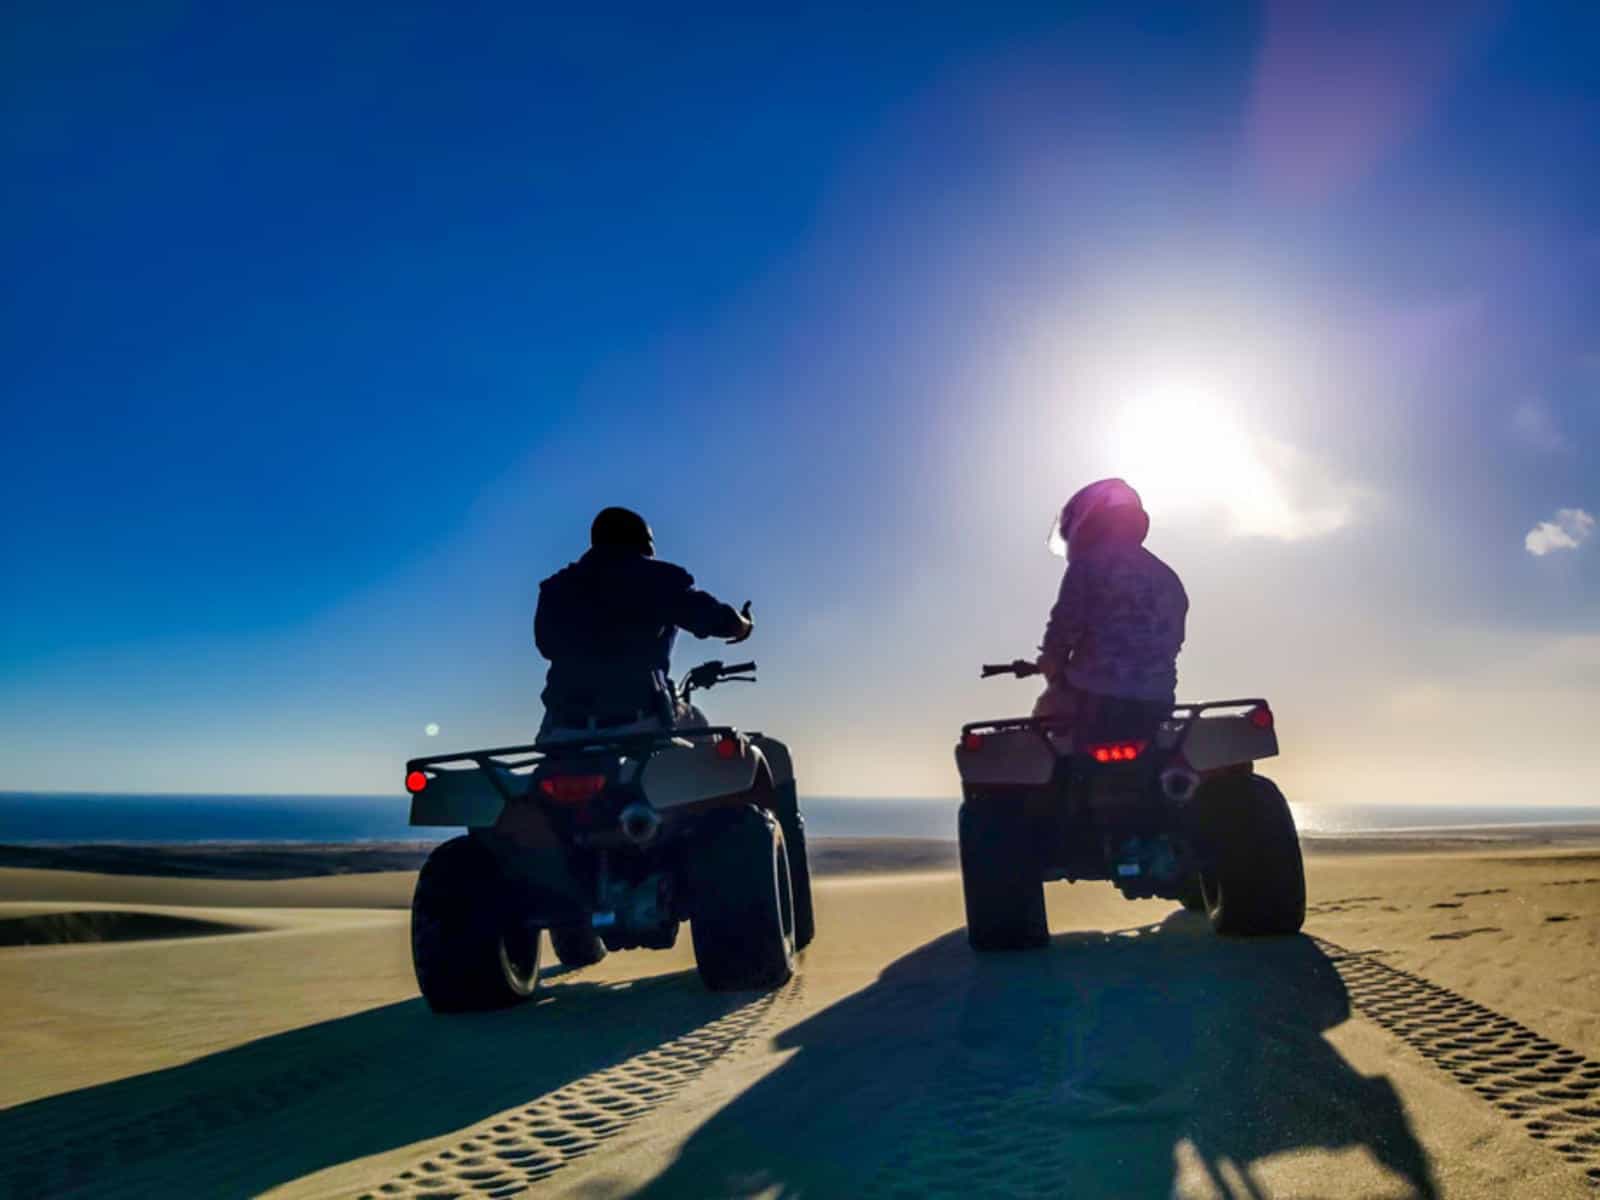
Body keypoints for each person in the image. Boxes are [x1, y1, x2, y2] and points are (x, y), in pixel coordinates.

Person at [535, 506, 753, 740]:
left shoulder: (555, 588)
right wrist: (743, 625)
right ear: (642, 543)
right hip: (639, 725)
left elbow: (546, 646)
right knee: (703, 735)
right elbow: (714, 618)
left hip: (562, 730)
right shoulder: (657, 578)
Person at [1034, 478, 1188, 736]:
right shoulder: (1168, 577)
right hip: (1157, 704)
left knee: (1042, 724)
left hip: (1095, 700)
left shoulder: (1087, 565)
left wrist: (1051, 663)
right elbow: (1173, 642)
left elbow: (1062, 630)